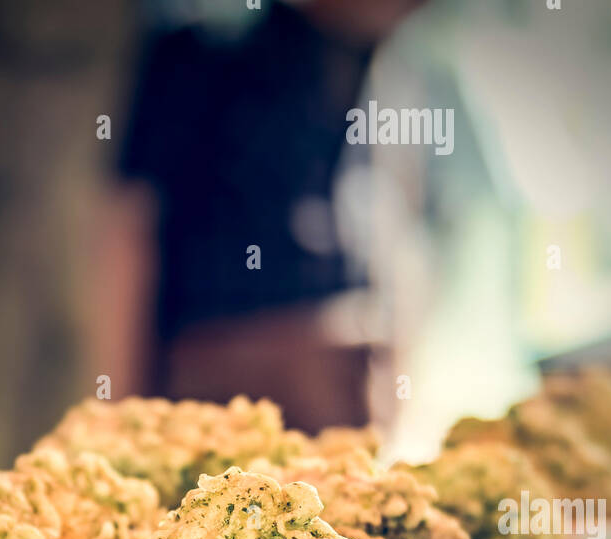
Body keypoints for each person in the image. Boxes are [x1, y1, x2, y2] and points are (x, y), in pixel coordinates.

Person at [91, 0, 422, 430]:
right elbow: (127, 229)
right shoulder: (203, 55)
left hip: (347, 382)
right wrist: (118, 410)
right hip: (222, 385)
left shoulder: (381, 69)